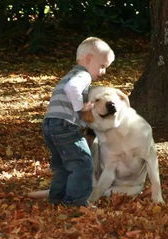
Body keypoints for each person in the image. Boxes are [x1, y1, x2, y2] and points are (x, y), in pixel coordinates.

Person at [43, 37, 115, 206]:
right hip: (64, 125)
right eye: (102, 66)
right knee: (82, 163)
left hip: (50, 123)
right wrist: (81, 107)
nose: (103, 72)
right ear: (88, 59)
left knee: (62, 165)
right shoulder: (82, 75)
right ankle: (75, 203)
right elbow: (72, 89)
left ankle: (57, 199)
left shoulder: (70, 74)